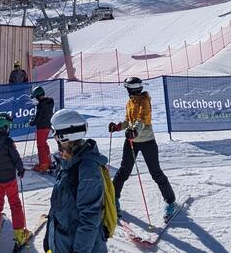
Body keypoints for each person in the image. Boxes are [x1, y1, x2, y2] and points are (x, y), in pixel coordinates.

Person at [108, 76, 177, 220]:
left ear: (131, 89)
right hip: (132, 141)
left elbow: (142, 120)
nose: (126, 91)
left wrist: (134, 131)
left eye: (127, 88)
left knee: (155, 172)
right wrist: (117, 127)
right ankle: (113, 198)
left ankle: (170, 201)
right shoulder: (130, 102)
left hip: (147, 141)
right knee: (123, 171)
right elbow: (129, 120)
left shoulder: (145, 101)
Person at [44, 109, 109, 253]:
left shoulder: (87, 168)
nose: (54, 138)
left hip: (79, 247)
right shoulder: (67, 162)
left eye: (55, 134)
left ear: (66, 136)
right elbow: (58, 206)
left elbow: (90, 219)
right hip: (62, 242)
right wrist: (49, 237)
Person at [0, 112, 29, 249]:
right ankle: (19, 235)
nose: (9, 129)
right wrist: (20, 169)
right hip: (9, 180)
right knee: (15, 204)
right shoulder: (7, 142)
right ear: (3, 127)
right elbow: (15, 158)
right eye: (8, 126)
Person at [29, 85, 55, 173]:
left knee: (40, 146)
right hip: (48, 126)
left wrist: (32, 122)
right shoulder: (50, 102)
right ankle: (49, 162)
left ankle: (43, 165)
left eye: (36, 97)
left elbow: (38, 117)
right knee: (44, 144)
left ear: (38, 96)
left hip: (41, 127)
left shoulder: (41, 105)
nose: (36, 99)